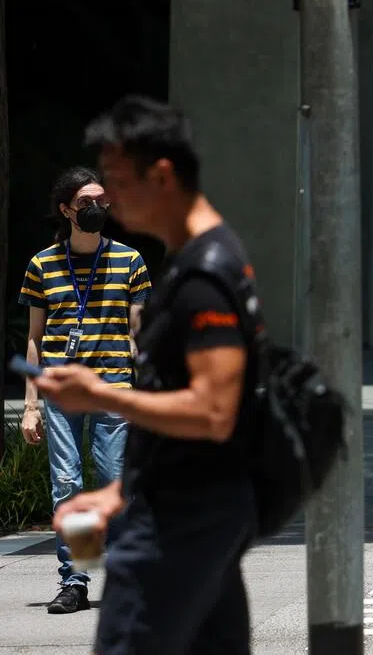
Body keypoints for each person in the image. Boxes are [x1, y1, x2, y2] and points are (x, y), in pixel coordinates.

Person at [37, 96, 261, 653]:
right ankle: (77, 577)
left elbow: (213, 410)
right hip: (186, 522)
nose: (106, 201)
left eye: (114, 181)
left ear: (160, 175)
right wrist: (119, 494)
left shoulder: (205, 273)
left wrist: (101, 394)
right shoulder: (197, 260)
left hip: (180, 536)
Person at [19, 166, 151, 615]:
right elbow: (34, 340)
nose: (96, 209)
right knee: (68, 485)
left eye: (102, 202)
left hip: (114, 387)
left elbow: (138, 335)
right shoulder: (43, 265)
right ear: (66, 210)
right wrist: (30, 405)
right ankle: (76, 579)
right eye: (85, 204)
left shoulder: (130, 262)